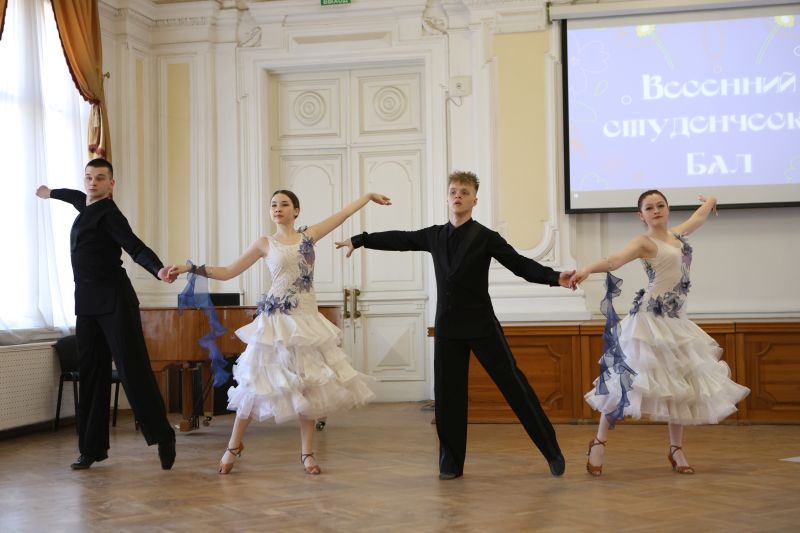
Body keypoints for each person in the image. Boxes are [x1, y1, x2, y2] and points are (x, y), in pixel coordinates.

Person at [336, 171, 575, 480]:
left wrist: (555, 278)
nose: (458, 195)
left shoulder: (486, 237)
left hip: (482, 326)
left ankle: (551, 451)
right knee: (448, 396)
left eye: (464, 191)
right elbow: (400, 239)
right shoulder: (435, 235)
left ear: (475, 200)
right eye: (453, 191)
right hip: (448, 328)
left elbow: (520, 265)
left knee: (515, 387)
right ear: (447, 198)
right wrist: (360, 240)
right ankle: (450, 462)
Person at [167, 190, 390, 475]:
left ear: (296, 211)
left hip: (306, 321)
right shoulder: (265, 243)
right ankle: (233, 445)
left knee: (308, 385)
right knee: (254, 383)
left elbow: (343, 214)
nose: (278, 208)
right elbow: (228, 271)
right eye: (273, 204)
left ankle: (307, 454)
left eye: (284, 204)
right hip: (275, 322)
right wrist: (190, 268)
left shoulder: (308, 236)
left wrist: (368, 197)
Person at [571, 190, 750, 476]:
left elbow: (697, 218)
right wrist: (586, 270)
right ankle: (599, 443)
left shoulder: (677, 235)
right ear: (640, 215)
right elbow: (614, 260)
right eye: (649, 207)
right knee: (624, 382)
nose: (656, 210)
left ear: (667, 208)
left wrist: (710, 202)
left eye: (660, 205)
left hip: (676, 321)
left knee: (679, 385)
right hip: (649, 320)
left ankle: (676, 450)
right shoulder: (643, 242)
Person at [35, 158, 177, 470]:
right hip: (87, 304)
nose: (93, 182)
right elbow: (74, 196)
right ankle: (91, 449)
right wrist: (50, 193)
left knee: (132, 369)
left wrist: (158, 269)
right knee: (91, 373)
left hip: (115, 302)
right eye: (89, 177)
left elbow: (135, 247)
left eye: (100, 178)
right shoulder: (85, 204)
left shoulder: (110, 214)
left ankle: (163, 435)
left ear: (111, 184)